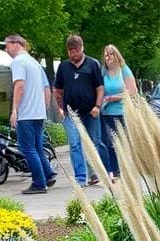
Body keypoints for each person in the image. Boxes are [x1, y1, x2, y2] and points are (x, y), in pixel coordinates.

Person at [3, 33, 56, 194]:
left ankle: (39, 183)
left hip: (26, 113)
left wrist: (14, 111)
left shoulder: (18, 62)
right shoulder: (34, 63)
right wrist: (44, 107)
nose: (6, 49)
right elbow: (46, 89)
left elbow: (19, 86)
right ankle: (48, 174)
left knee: (27, 148)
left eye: (7, 45)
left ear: (16, 44)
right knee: (38, 147)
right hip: (38, 113)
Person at [54, 34, 107, 187]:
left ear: (82, 48)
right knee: (75, 144)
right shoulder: (63, 67)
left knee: (93, 142)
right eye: (70, 51)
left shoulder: (92, 64)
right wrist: (60, 107)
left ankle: (94, 173)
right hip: (71, 112)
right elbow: (58, 89)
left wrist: (97, 106)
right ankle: (80, 177)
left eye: (76, 50)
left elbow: (100, 87)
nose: (74, 54)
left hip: (91, 112)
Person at [100, 43, 137, 180]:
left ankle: (127, 169)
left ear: (116, 55)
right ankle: (114, 170)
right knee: (109, 142)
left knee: (123, 141)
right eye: (106, 54)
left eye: (110, 54)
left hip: (122, 112)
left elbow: (132, 92)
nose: (108, 57)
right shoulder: (103, 72)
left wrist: (115, 97)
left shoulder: (124, 70)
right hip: (106, 112)